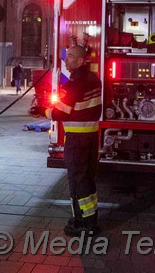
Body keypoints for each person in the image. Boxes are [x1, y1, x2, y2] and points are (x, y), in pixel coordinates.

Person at [43, 45, 102, 236]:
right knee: (88, 179)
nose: (66, 60)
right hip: (91, 138)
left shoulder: (73, 85)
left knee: (77, 181)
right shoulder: (94, 79)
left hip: (77, 140)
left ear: (80, 61)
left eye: (70, 57)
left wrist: (41, 110)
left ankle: (82, 224)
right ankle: (91, 217)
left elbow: (59, 112)